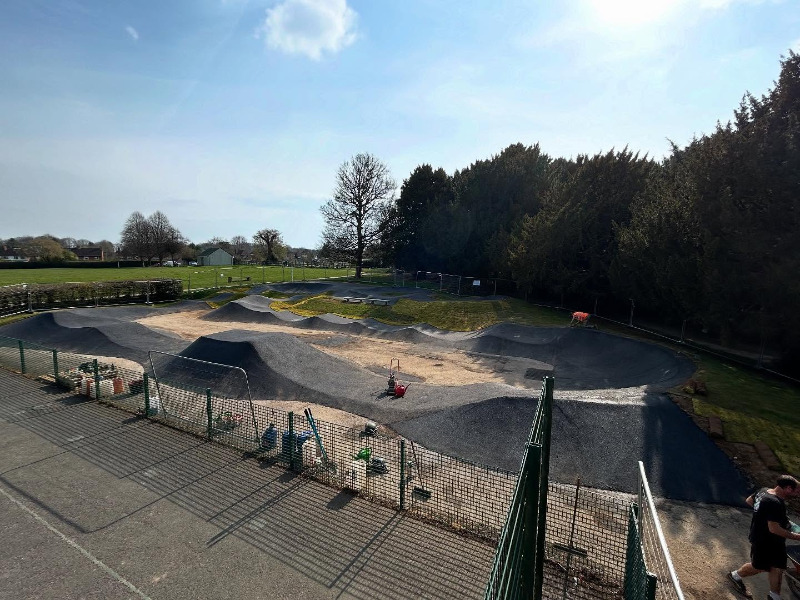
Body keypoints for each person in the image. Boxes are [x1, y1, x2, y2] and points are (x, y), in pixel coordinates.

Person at [728, 475, 800, 599]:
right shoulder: (775, 503)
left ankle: (774, 597)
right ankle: (735, 576)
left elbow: (749, 501)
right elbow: (774, 529)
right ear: (788, 488)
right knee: (759, 566)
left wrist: (763, 515)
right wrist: (798, 537)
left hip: (773, 540)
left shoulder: (763, 491)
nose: (799, 494)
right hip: (763, 540)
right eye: (797, 491)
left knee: (777, 567)